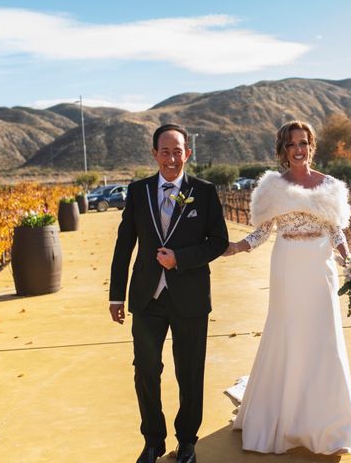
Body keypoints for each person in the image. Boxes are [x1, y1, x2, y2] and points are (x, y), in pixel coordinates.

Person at [223, 120, 351, 454]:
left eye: (303, 143)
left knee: (323, 337)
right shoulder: (272, 186)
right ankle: (281, 418)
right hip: (286, 264)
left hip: (319, 266)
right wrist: (238, 246)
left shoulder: (330, 186)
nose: (298, 149)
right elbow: (262, 231)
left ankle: (327, 424)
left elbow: (336, 231)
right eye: (291, 144)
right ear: (283, 150)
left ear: (311, 146)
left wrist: (350, 260)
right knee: (287, 333)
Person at [109, 124, 229, 463]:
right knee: (145, 369)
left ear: (187, 153)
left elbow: (218, 241)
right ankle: (152, 441)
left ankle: (188, 441)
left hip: (190, 298)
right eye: (165, 151)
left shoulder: (204, 192)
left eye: (178, 151)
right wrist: (116, 296)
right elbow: (123, 247)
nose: (172, 158)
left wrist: (181, 259)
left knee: (189, 372)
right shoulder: (138, 191)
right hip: (147, 298)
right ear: (154, 154)